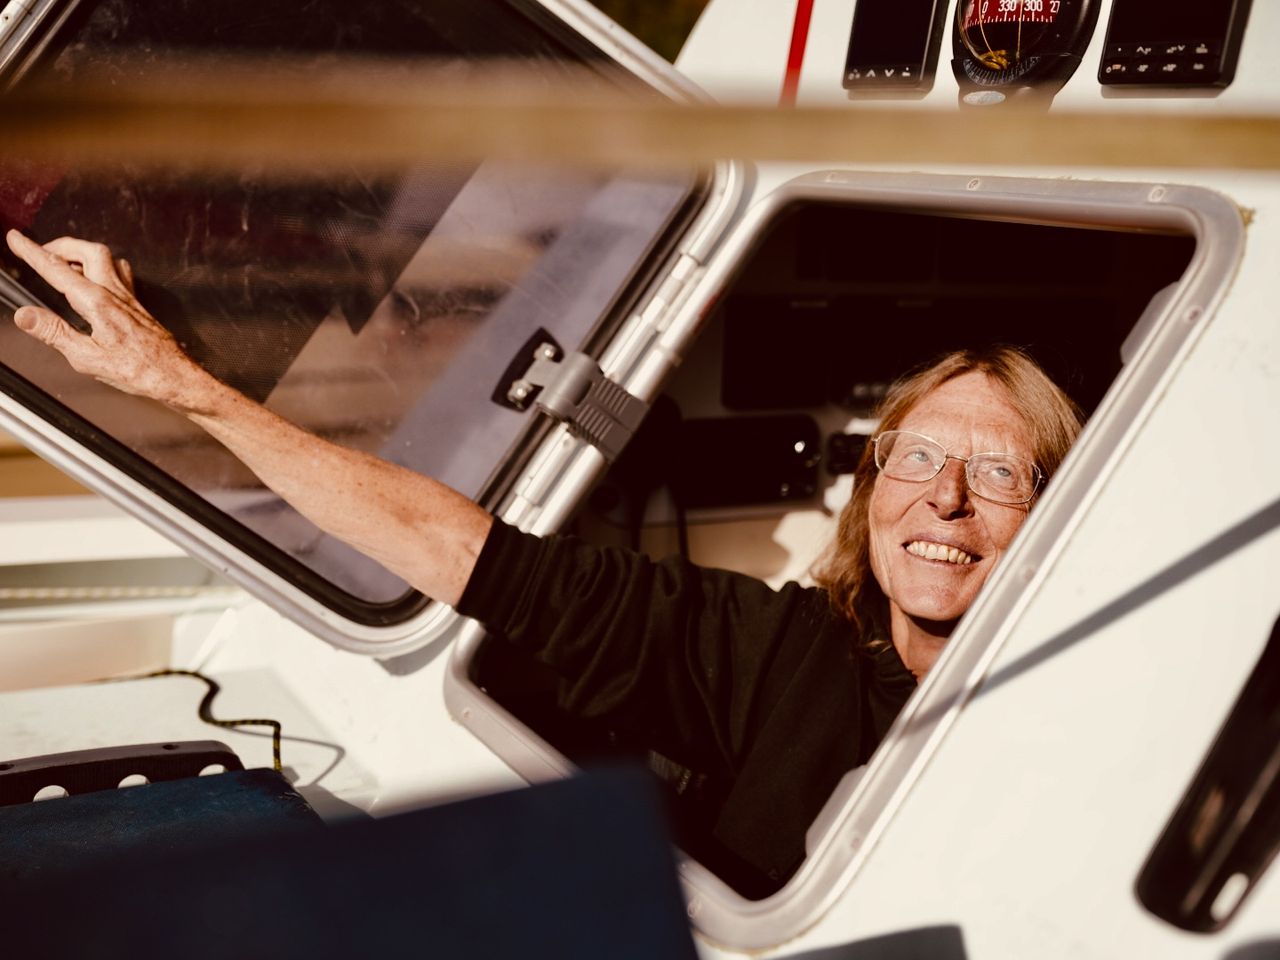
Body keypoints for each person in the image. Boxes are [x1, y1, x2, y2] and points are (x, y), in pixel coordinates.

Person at [4, 230, 1083, 894]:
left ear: (1058, 512)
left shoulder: (1086, 697)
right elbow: (460, 552)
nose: (944, 497)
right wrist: (181, 386)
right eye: (920, 457)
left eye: (997, 474)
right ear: (872, 487)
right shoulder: (783, 653)